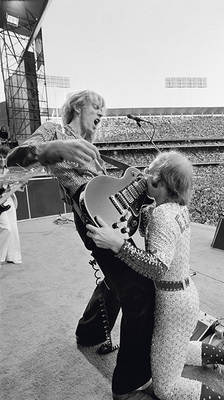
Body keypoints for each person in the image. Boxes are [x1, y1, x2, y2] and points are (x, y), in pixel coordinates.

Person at [6, 90, 155, 399]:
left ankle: (89, 331)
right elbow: (15, 157)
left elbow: (109, 193)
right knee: (139, 290)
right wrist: (54, 148)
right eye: (96, 106)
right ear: (76, 106)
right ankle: (129, 383)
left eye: (103, 109)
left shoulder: (92, 148)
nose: (101, 112)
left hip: (106, 216)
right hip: (88, 217)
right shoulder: (54, 129)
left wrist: (134, 196)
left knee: (115, 280)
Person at [86, 150, 224, 400]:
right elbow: (152, 228)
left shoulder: (162, 216)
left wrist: (119, 245)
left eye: (149, 172)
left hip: (172, 303)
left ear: (160, 180)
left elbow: (157, 266)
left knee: (166, 387)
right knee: (176, 347)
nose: (144, 176)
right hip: (184, 296)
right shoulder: (175, 209)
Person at [0, 146, 22, 265]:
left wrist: (21, 184)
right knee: (6, 228)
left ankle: (13, 256)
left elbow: (16, 187)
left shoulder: (10, 171)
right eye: (0, 157)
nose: (2, 159)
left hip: (8, 200)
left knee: (13, 227)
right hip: (0, 202)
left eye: (4, 157)